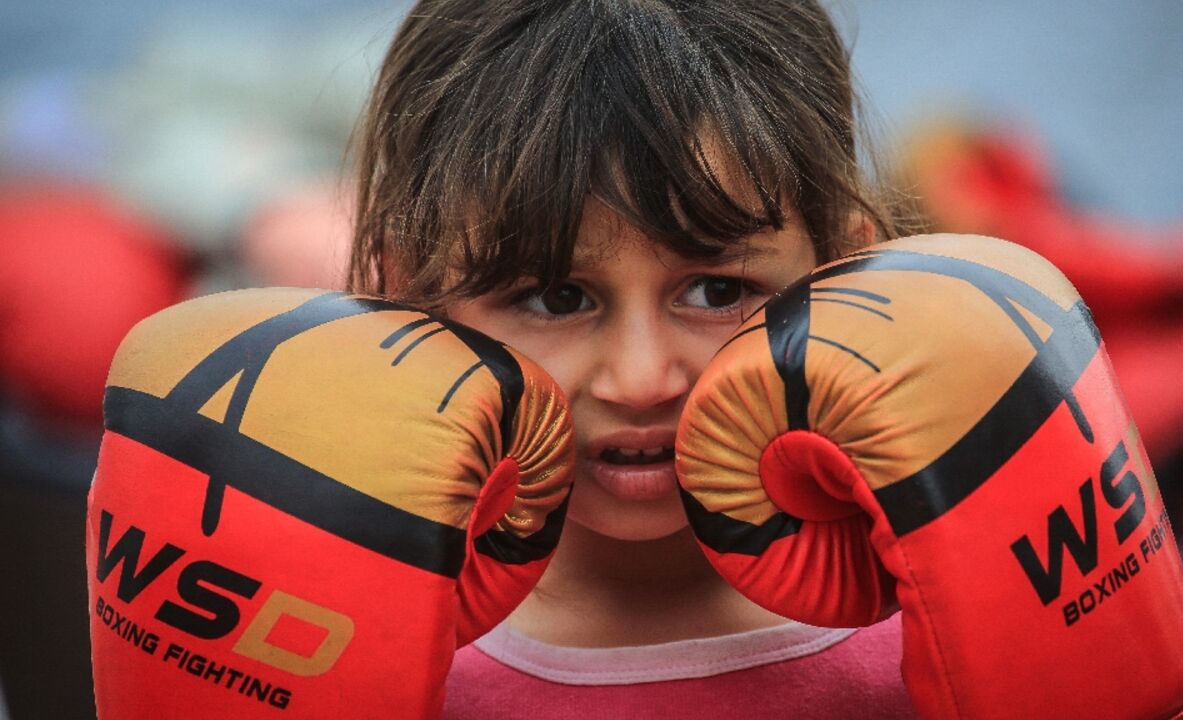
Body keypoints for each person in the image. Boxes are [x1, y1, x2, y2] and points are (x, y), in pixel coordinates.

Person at [347, 0, 918, 717]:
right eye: (556, 297)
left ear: (845, 273)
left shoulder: (943, 606)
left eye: (719, 291)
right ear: (408, 296)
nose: (643, 380)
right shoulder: (336, 638)